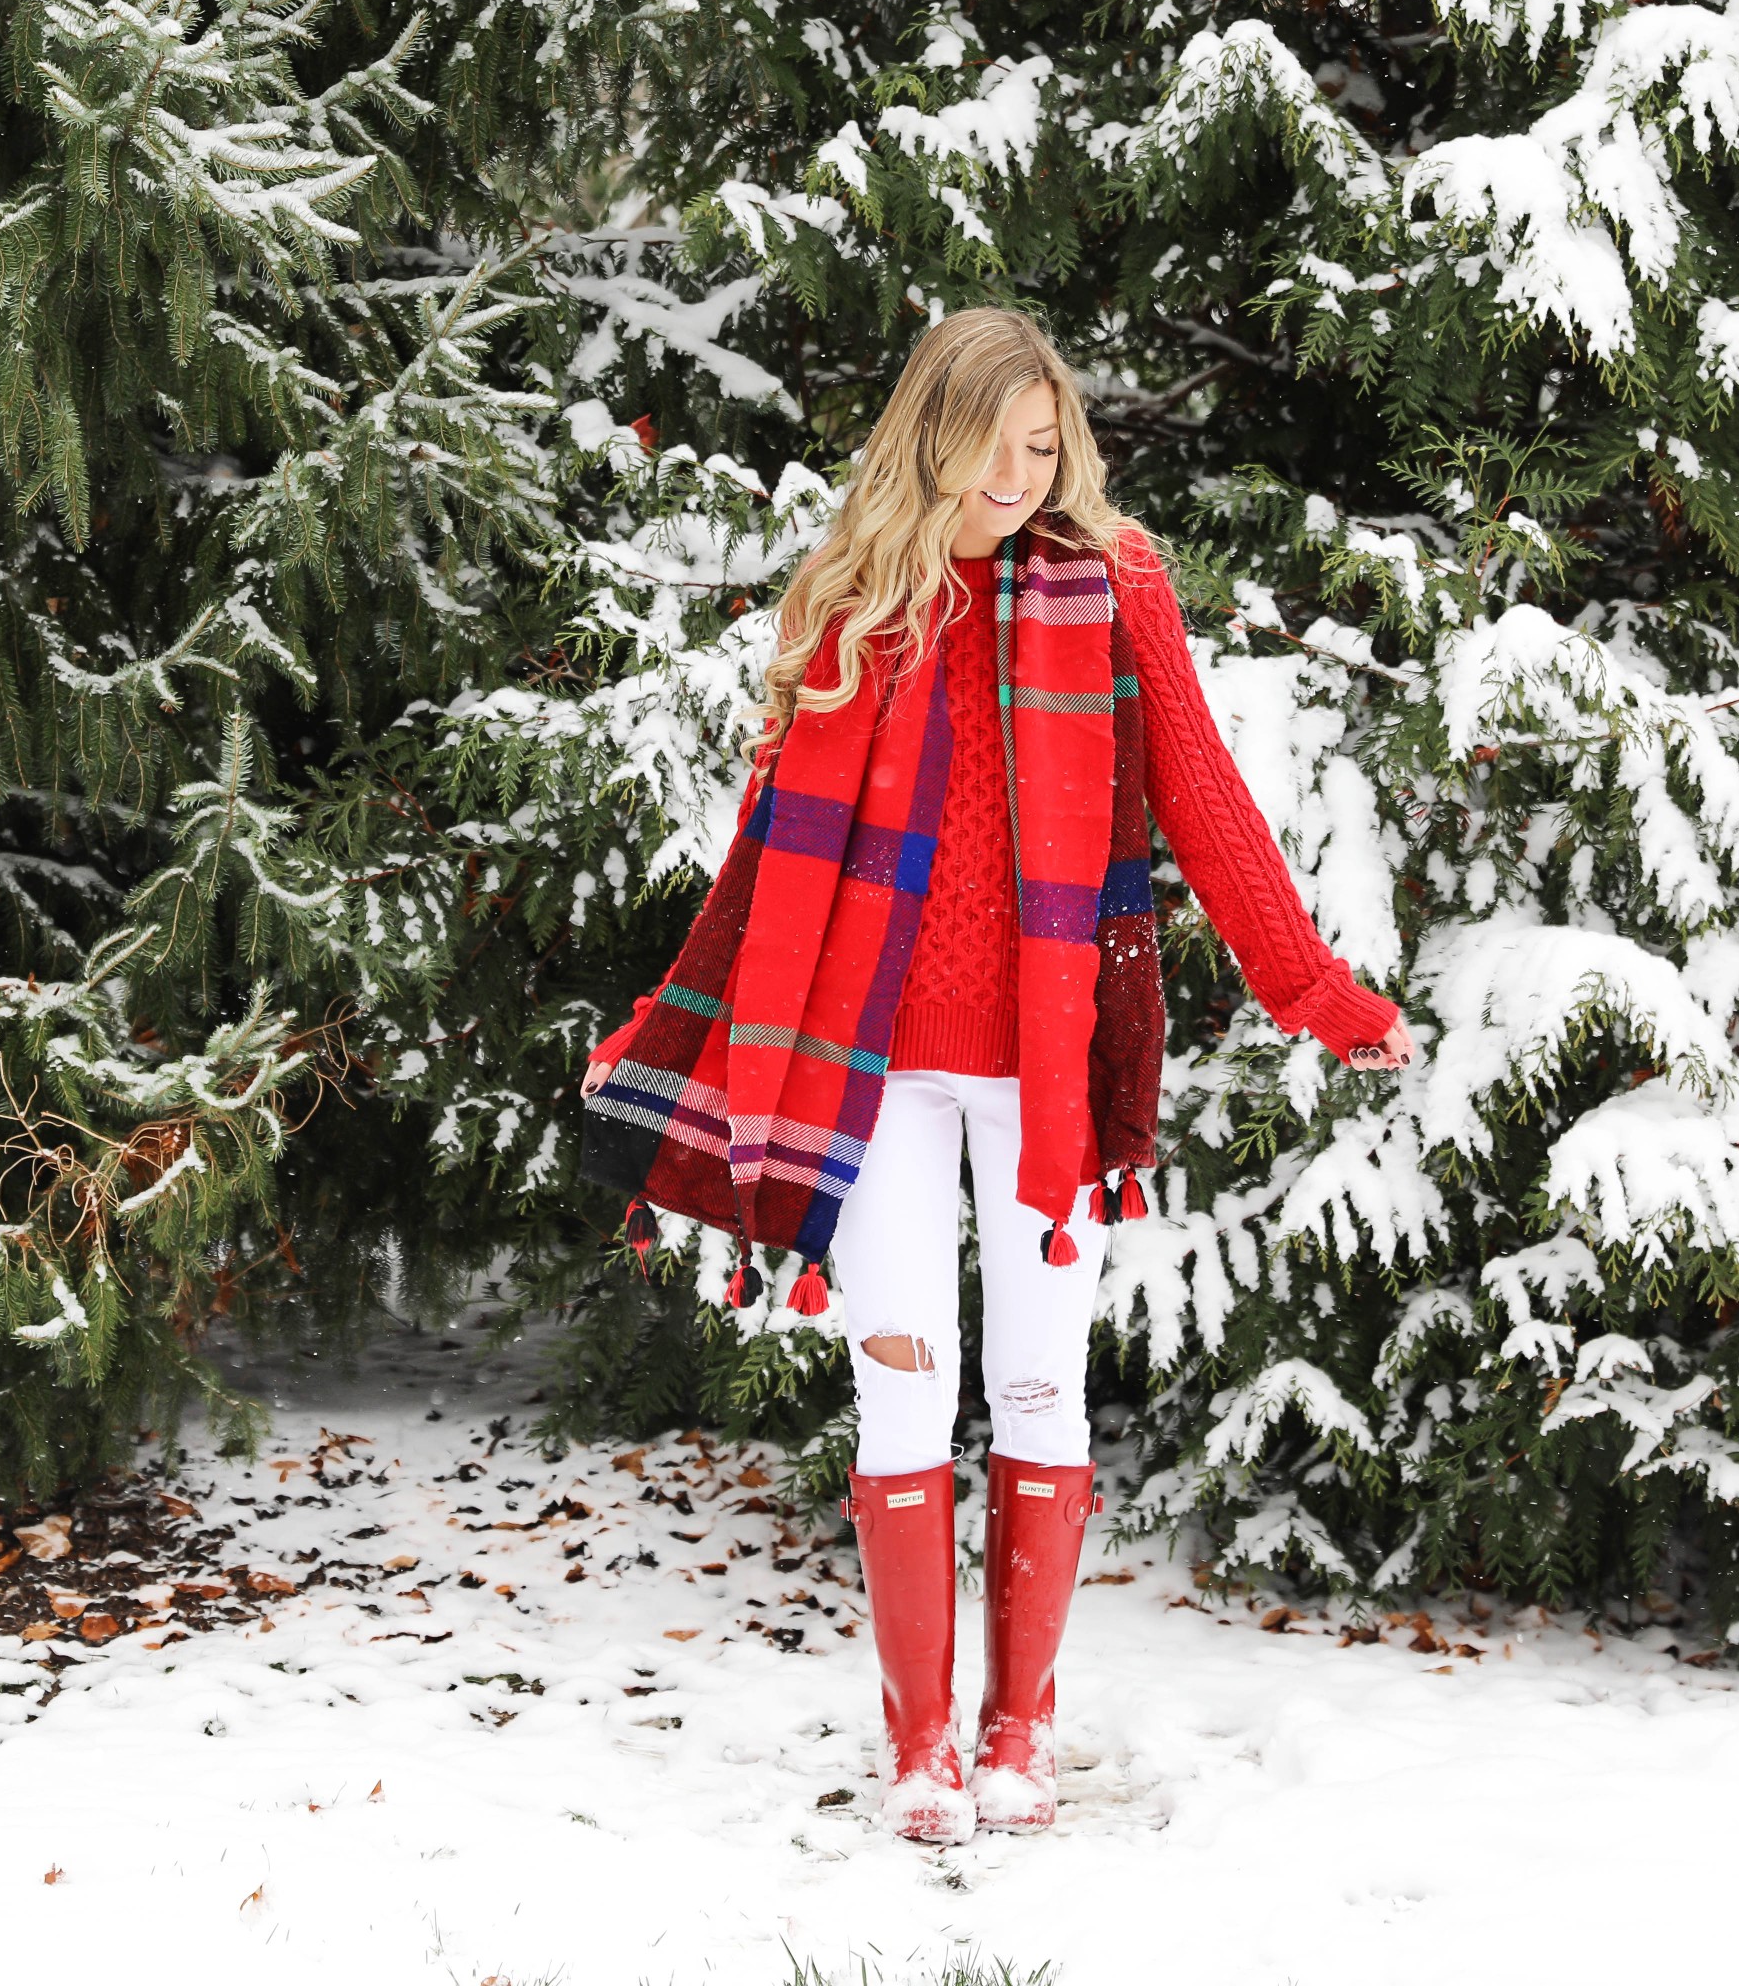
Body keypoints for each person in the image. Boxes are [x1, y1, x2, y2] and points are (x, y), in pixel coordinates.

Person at [581, 307, 1410, 1844]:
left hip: (1046, 1064)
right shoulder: (855, 596)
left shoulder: (1117, 587)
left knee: (1037, 1383)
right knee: (899, 1392)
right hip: (873, 1066)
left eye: (1050, 447)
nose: (1027, 477)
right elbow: (771, 861)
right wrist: (670, 1022)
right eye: (999, 448)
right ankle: (920, 1749)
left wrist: (1309, 985)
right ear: (934, 438)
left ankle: (1019, 1730)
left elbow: (1204, 794)